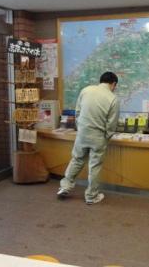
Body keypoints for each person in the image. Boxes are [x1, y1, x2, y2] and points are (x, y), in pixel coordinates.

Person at [57, 71, 120, 205]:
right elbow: (112, 124)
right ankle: (91, 196)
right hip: (98, 136)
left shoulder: (86, 90)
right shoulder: (113, 98)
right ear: (113, 84)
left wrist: (81, 128)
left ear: (101, 80)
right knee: (94, 166)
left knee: (77, 160)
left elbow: (78, 112)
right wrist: (107, 136)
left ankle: (65, 187)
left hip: (82, 134)